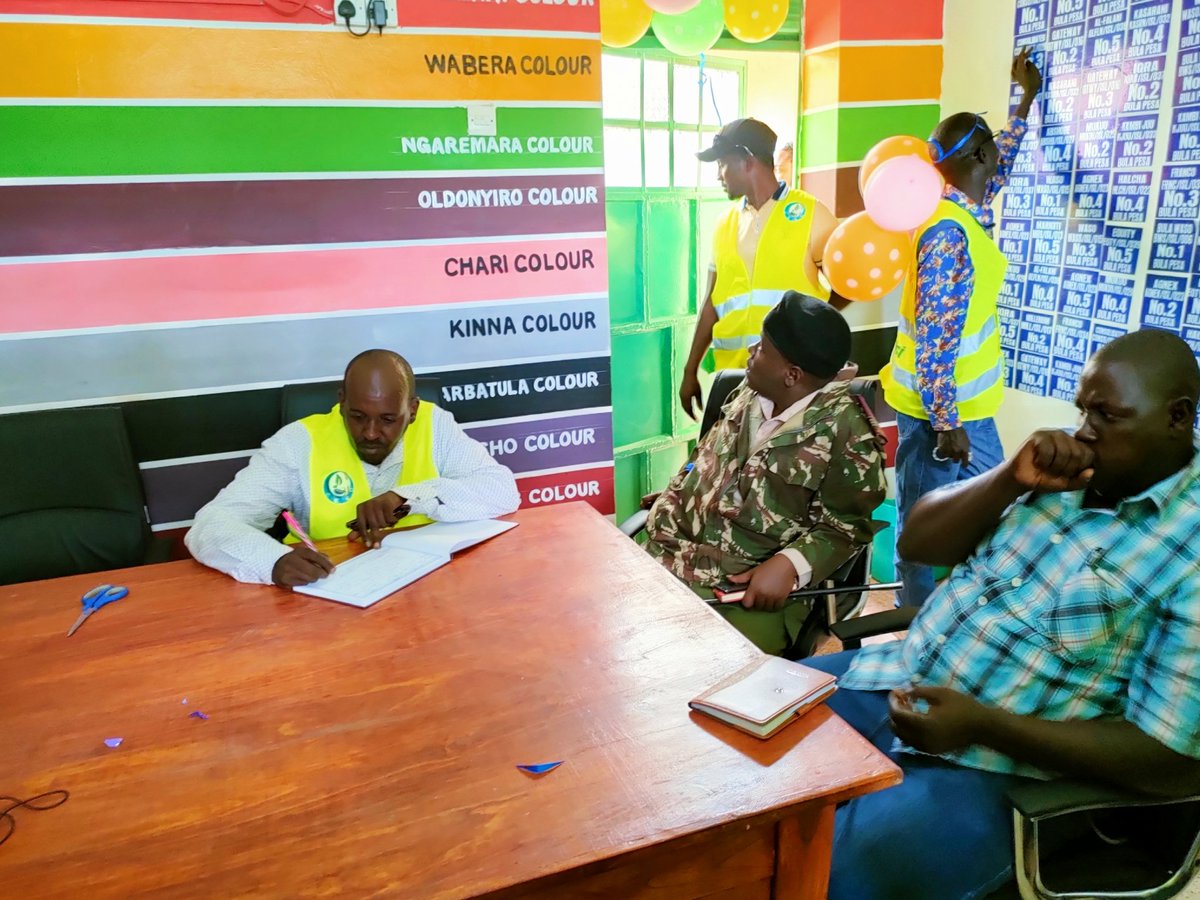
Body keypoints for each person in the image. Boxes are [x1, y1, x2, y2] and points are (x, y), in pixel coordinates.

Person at [808, 329, 1200, 900]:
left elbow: (1172, 760)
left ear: (1177, 417)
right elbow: (919, 541)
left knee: (820, 870)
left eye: (1107, 415)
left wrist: (983, 725)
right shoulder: (1065, 468)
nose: (1084, 430)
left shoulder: (1189, 552)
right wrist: (1008, 478)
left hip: (997, 768)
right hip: (895, 676)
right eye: (1083, 409)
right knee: (743, 746)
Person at [880, 48, 1043, 607]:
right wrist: (946, 423)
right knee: (922, 528)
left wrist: (1026, 99)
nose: (1000, 152)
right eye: (991, 144)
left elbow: (1003, 159)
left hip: (960, 408)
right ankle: (912, 629)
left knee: (993, 513)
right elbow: (936, 340)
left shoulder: (964, 205)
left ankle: (954, 619)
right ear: (977, 155)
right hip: (939, 414)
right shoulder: (949, 233)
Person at [645, 292, 886, 656]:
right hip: (667, 551)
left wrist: (790, 564)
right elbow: (707, 455)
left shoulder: (848, 435)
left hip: (740, 586)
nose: (750, 352)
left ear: (792, 375)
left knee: (688, 665)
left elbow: (846, 527)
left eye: (761, 348)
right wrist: (682, 492)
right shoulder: (749, 392)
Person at [186, 349, 519, 586]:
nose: (371, 433)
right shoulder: (297, 444)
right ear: (342, 400)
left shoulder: (436, 426)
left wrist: (408, 498)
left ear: (412, 410)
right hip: (330, 595)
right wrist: (271, 561)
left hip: (427, 590)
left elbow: (503, 490)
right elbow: (210, 525)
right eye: (357, 416)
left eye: (388, 419)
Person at [679, 118, 842, 420]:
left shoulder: (811, 214)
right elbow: (712, 302)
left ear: (747, 160)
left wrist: (808, 334)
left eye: (723, 164)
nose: (718, 175)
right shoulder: (725, 224)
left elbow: (844, 289)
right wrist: (690, 371)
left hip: (788, 386)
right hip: (732, 380)